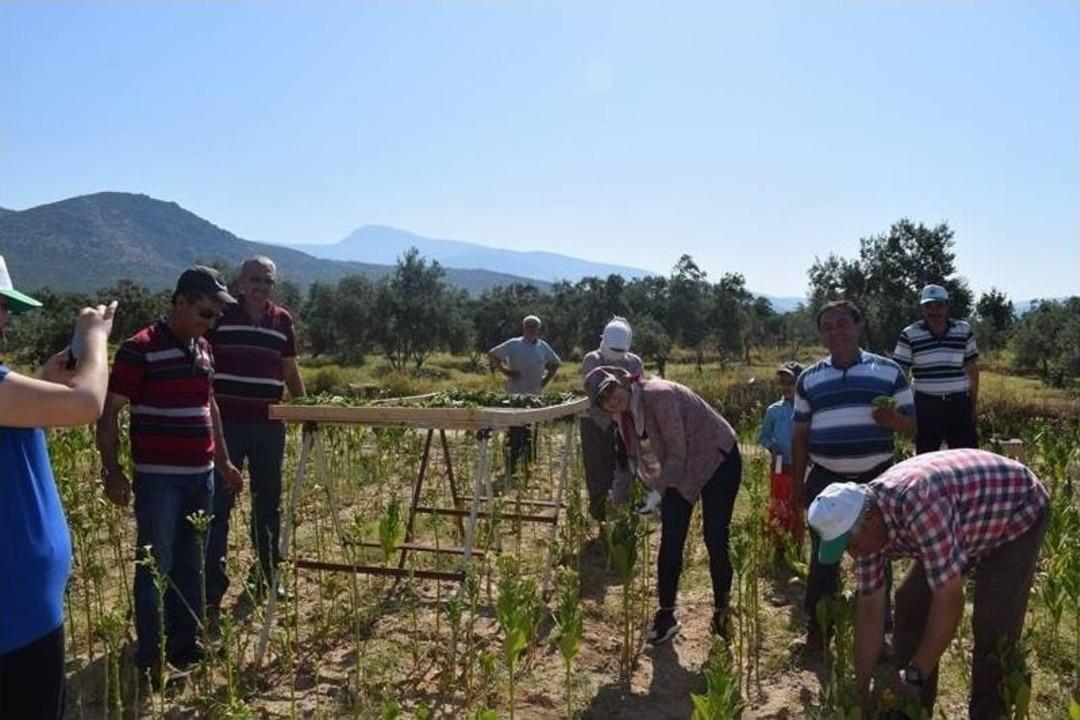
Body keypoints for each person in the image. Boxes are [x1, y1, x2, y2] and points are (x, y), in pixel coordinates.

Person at [808, 449, 1049, 719]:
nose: (851, 554)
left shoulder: (918, 503)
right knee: (911, 602)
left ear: (870, 520)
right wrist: (860, 689)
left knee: (993, 626)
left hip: (1015, 508)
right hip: (961, 517)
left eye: (850, 545)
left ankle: (986, 712)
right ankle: (912, 709)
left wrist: (915, 672)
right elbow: (870, 611)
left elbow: (950, 600)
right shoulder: (865, 527)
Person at [97, 266, 244, 677]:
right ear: (180, 301)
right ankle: (152, 657)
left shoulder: (203, 349)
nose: (211, 322)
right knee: (154, 565)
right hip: (159, 479)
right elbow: (109, 413)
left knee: (191, 563)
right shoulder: (139, 347)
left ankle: (184, 646)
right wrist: (112, 469)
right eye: (206, 312)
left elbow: (209, 407)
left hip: (202, 476)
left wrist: (224, 461)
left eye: (217, 315)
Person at [0, 255, 116, 720]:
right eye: (0, 307)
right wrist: (94, 338)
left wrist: (46, 383)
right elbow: (87, 404)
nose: (6, 321)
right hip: (13, 623)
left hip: (23, 614)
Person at [585, 365, 741, 645]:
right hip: (678, 469)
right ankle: (666, 615)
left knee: (715, 536)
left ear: (622, 380)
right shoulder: (624, 419)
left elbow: (677, 450)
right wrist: (618, 507)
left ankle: (721, 610)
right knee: (671, 538)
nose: (611, 399)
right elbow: (627, 465)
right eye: (602, 399)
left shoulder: (659, 395)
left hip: (717, 458)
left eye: (611, 390)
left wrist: (657, 493)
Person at [792, 300, 915, 650]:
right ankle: (818, 632)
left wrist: (894, 422)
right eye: (828, 326)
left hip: (876, 479)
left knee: (877, 552)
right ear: (822, 334)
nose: (836, 331)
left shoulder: (888, 371)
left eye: (842, 323)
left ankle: (880, 632)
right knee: (822, 558)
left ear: (857, 326)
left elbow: (914, 424)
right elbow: (799, 435)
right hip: (825, 480)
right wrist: (798, 486)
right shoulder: (809, 378)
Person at [204, 256, 305, 610]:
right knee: (219, 504)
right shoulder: (221, 315)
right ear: (241, 282)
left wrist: (306, 408)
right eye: (254, 279)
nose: (260, 286)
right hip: (225, 425)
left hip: (268, 426)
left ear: (273, 285)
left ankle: (265, 577)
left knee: (268, 503)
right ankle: (210, 588)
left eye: (267, 280)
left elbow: (289, 369)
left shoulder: (282, 321)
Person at [893, 284, 980, 453]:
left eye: (939, 305)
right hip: (926, 406)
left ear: (947, 306)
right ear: (922, 309)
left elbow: (972, 370)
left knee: (967, 457)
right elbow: (901, 373)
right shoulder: (910, 334)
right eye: (928, 306)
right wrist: (905, 410)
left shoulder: (963, 330)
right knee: (927, 460)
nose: (934, 311)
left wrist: (972, 405)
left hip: (959, 405)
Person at [579, 316, 645, 521]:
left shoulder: (634, 362)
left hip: (626, 424)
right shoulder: (592, 359)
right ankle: (600, 515)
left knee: (625, 471)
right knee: (598, 470)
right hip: (596, 423)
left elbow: (638, 391)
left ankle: (622, 515)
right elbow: (598, 394)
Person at [488, 315, 561, 475]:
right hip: (515, 397)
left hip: (535, 397)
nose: (531, 329)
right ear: (523, 328)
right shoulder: (514, 344)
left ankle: (529, 466)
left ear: (539, 329)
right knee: (515, 432)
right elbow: (493, 355)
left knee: (531, 433)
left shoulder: (543, 347)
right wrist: (506, 371)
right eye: (528, 326)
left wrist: (545, 380)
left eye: (534, 326)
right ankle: (511, 467)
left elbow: (556, 363)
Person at [757, 361, 803, 550]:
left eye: (790, 382)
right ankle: (779, 548)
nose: (785, 387)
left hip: (801, 467)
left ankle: (798, 548)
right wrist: (772, 446)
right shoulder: (773, 410)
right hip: (779, 465)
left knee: (797, 506)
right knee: (778, 505)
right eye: (782, 382)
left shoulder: (807, 409)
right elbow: (764, 436)